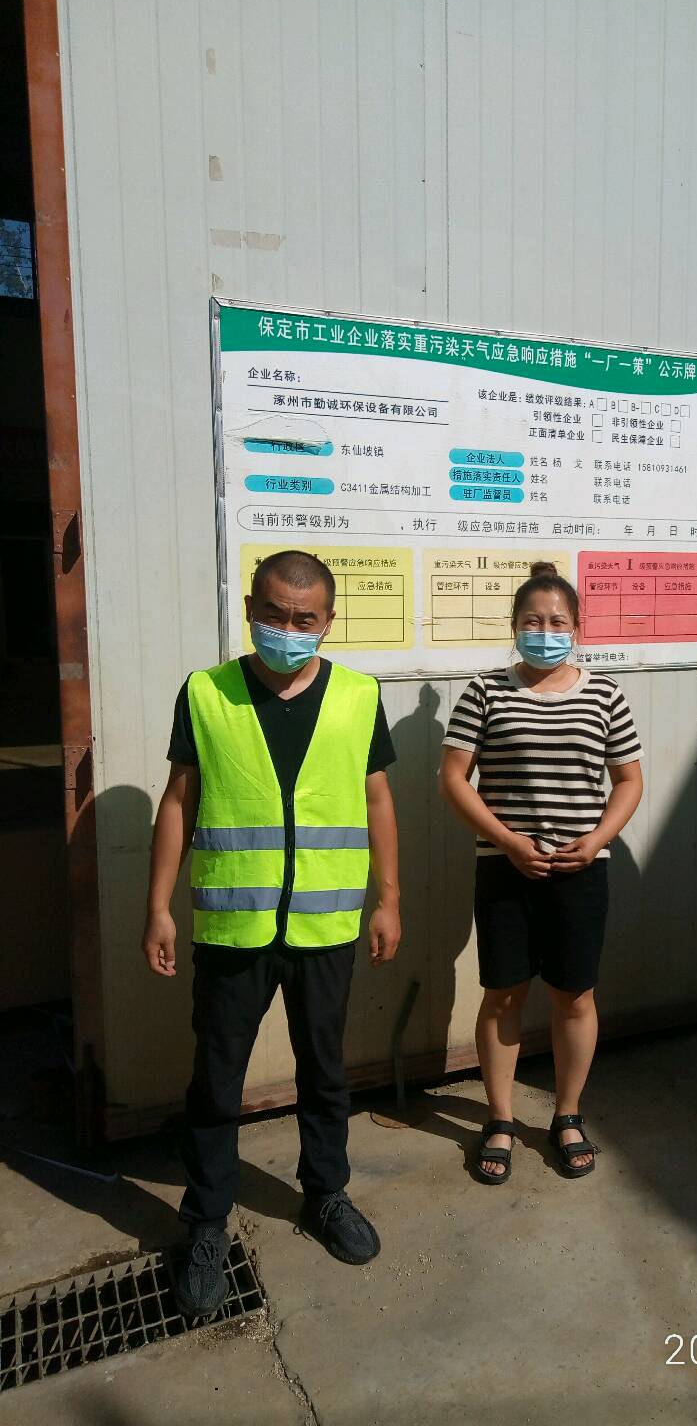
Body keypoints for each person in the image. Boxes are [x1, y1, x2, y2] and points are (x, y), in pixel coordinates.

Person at [141, 549, 401, 1315]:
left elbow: (377, 800)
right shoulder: (207, 692)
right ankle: (206, 1224)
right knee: (216, 1081)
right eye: (274, 614)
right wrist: (157, 907)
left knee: (325, 1071)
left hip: (326, 924)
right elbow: (179, 800)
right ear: (251, 609)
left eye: (304, 618)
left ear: (328, 621)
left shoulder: (358, 695)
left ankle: (326, 1194)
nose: (288, 629)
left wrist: (389, 899)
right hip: (235, 927)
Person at [439, 562, 643, 1183]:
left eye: (558, 622)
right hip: (505, 870)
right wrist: (507, 841)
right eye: (533, 621)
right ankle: (500, 1119)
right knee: (503, 993)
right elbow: (454, 777)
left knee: (574, 995)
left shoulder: (605, 695)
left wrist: (596, 841)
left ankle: (568, 1114)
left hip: (581, 871)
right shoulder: (484, 692)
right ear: (514, 626)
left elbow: (628, 781)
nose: (546, 632)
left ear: (577, 628)